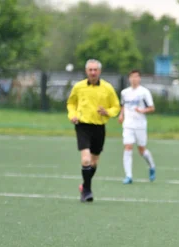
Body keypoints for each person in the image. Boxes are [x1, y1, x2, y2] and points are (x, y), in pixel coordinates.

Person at [67, 59, 120, 202]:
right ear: (86, 71)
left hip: (99, 127)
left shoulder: (107, 88)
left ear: (99, 71)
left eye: (95, 70)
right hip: (82, 126)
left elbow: (116, 106)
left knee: (94, 162)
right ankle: (87, 192)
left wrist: (107, 112)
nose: (93, 72)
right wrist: (72, 115)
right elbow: (71, 103)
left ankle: (84, 185)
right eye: (90, 70)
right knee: (86, 160)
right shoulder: (78, 87)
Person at [118, 70, 157, 183]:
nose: (134, 79)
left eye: (136, 77)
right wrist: (121, 115)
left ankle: (152, 166)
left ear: (139, 78)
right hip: (128, 125)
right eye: (132, 77)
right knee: (128, 147)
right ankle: (128, 176)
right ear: (129, 78)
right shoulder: (124, 92)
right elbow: (123, 105)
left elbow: (151, 107)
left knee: (142, 150)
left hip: (140, 125)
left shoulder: (144, 92)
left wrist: (142, 110)